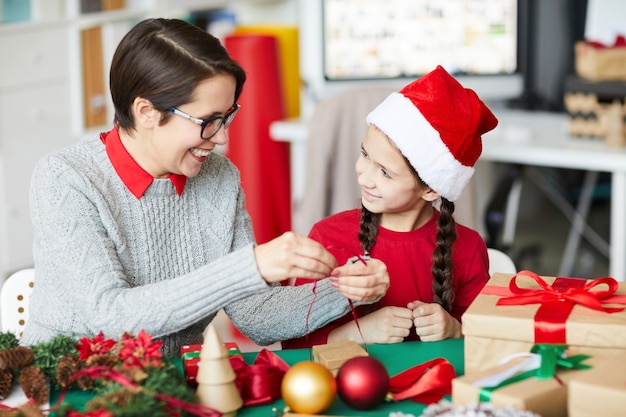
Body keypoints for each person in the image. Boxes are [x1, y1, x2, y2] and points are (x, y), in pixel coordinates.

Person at [21, 18, 389, 357]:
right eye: (208, 121)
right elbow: (111, 318)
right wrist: (251, 266)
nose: (223, 137)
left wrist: (342, 290)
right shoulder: (65, 179)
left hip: (170, 384)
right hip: (65, 383)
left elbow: (255, 318)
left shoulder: (219, 178)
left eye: (227, 116)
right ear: (146, 112)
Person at [282, 65, 498, 349]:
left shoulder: (468, 248)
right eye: (364, 154)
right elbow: (294, 346)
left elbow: (490, 343)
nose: (364, 175)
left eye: (385, 172)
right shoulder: (327, 237)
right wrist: (358, 333)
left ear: (431, 189)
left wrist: (455, 329)